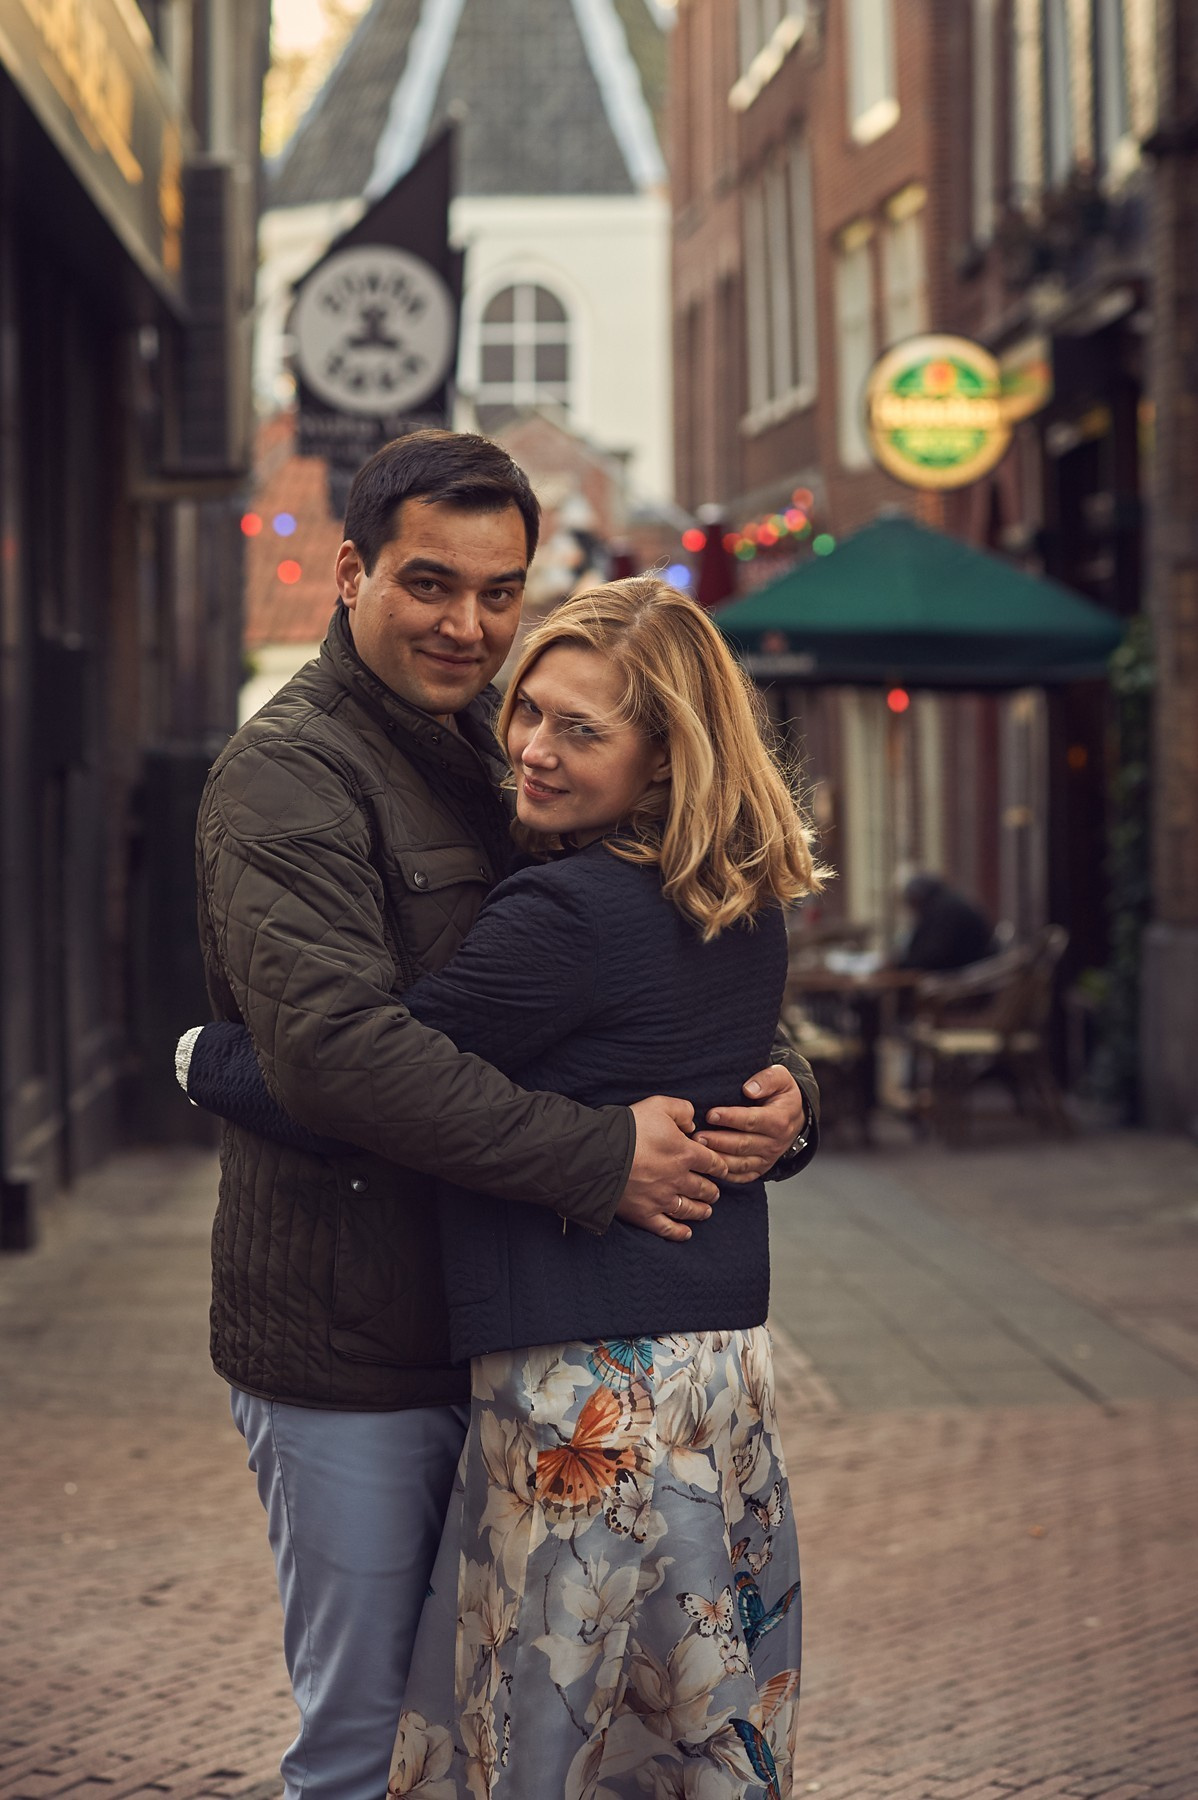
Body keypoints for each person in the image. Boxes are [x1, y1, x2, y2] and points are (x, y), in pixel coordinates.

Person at [188, 431, 818, 1800]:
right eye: (428, 583)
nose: (466, 625)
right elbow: (345, 1058)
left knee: (520, 1746)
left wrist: (784, 1105)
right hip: (355, 1348)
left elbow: (644, 991)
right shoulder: (288, 773)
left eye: (497, 591)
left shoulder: (495, 745)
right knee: (371, 1748)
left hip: (524, 1345)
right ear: (348, 571)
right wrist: (602, 1156)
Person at [895, 872, 996, 972]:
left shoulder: (943, 910)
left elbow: (935, 954)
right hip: (971, 966)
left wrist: (903, 966)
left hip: (967, 971)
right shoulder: (945, 903)